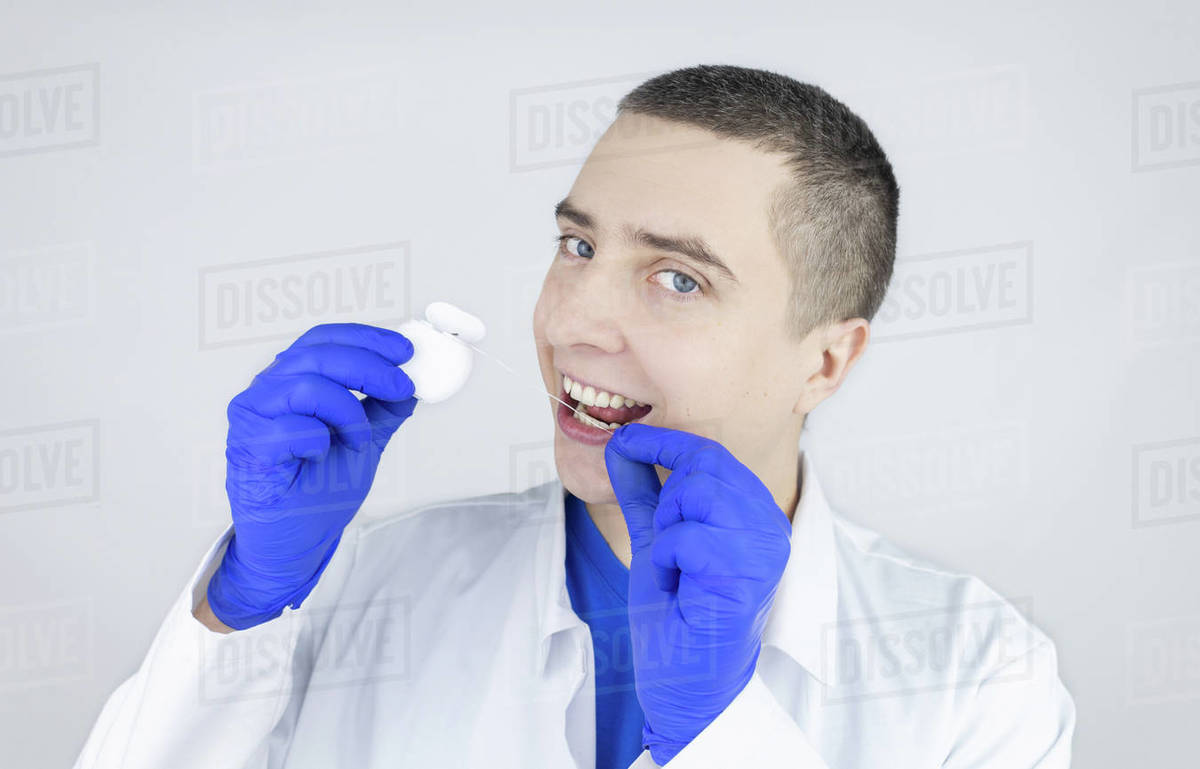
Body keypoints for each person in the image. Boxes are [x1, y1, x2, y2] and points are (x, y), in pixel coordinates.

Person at [73, 64, 1075, 768]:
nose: (576, 321)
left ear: (826, 358)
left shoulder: (976, 672)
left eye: (678, 279)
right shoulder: (359, 591)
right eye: (578, 247)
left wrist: (721, 736)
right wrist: (241, 606)